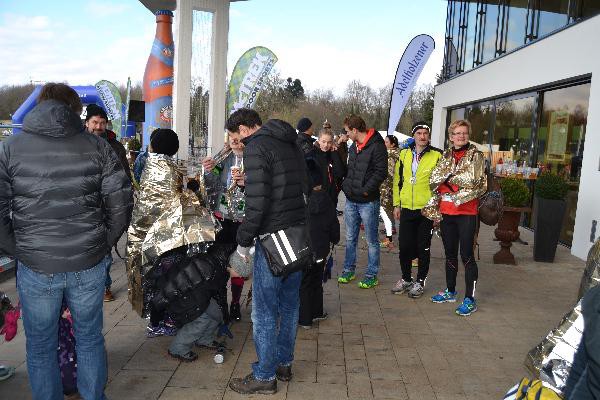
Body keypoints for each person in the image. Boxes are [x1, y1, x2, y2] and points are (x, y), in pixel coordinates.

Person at [0, 82, 132, 399]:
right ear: (75, 110)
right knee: (89, 338)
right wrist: (102, 244)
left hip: (36, 265)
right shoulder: (98, 147)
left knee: (40, 345)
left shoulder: (10, 148)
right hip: (87, 261)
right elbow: (121, 203)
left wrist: (20, 250)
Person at [227, 108, 308, 395]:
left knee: (263, 311)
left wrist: (243, 243)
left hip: (272, 239)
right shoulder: (290, 141)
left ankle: (264, 375)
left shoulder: (256, 147)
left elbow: (257, 205)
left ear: (244, 129)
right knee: (290, 306)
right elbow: (300, 186)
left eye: (236, 136)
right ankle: (284, 363)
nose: (237, 142)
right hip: (296, 234)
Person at [149, 243, 250, 362]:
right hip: (177, 298)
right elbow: (175, 285)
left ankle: (204, 339)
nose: (241, 278)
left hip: (196, 297)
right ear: (234, 266)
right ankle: (177, 348)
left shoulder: (222, 268)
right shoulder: (204, 265)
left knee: (216, 314)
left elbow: (219, 294)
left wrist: (223, 319)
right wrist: (157, 307)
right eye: (240, 274)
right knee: (202, 319)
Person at [425, 119, 486, 316]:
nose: (461, 136)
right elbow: (433, 179)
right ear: (451, 137)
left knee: (466, 255)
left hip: (466, 212)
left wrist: (447, 178)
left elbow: (473, 180)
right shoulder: (445, 155)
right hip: (446, 212)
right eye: (457, 133)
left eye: (464, 133)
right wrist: (454, 180)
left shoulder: (476, 155)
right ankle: (450, 291)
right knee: (450, 254)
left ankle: (470, 299)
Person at [85, 103, 132, 302]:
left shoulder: (116, 146)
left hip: (108, 207)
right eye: (95, 122)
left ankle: (104, 286)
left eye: (102, 123)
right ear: (87, 123)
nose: (99, 126)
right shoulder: (77, 144)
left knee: (104, 249)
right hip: (85, 206)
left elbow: (125, 177)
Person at [390, 122, 442, 298]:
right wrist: (396, 204)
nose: (422, 136)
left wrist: (437, 211)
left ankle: (420, 282)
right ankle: (406, 279)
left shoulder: (437, 155)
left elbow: (441, 186)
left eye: (425, 133)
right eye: (419, 133)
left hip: (426, 210)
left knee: (423, 247)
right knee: (404, 246)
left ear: (429, 135)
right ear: (413, 135)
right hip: (406, 207)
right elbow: (398, 181)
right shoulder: (404, 154)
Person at [338, 114, 388, 289]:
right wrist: (346, 186)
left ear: (354, 130)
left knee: (371, 240)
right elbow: (350, 170)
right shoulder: (353, 146)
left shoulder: (377, 146)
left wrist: (366, 190)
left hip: (368, 202)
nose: (346, 134)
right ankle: (348, 270)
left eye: (347, 131)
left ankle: (371, 275)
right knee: (350, 237)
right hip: (351, 200)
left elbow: (381, 172)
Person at [202, 131, 247, 321]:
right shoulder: (223, 159)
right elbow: (212, 183)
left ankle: (235, 303)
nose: (234, 139)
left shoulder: (254, 159)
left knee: (238, 265)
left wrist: (246, 181)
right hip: (222, 219)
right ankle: (221, 306)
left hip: (243, 221)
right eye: (231, 135)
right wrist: (208, 170)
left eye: (239, 135)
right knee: (219, 265)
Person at [298, 155, 340, 330]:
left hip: (304, 249)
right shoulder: (327, 201)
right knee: (316, 280)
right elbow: (334, 226)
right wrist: (334, 239)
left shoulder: (302, 202)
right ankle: (316, 311)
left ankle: (305, 319)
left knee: (305, 282)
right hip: (321, 250)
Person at [380, 135, 400, 248]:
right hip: (392, 187)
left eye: (386, 142)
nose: (384, 143)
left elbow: (390, 173)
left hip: (387, 187)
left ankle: (389, 237)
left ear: (392, 144)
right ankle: (391, 230)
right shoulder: (398, 153)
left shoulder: (390, 155)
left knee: (386, 209)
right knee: (389, 209)